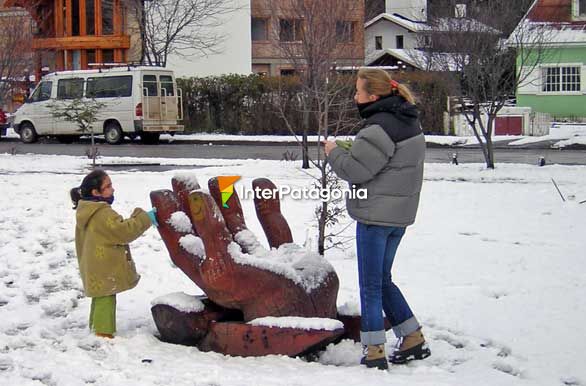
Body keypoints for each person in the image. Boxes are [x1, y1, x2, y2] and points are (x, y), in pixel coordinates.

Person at [324, 68, 429, 370]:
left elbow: (356, 171)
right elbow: (384, 163)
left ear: (373, 96)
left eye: (358, 92)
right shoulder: (409, 120)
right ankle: (412, 337)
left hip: (375, 217)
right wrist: (353, 150)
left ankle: (374, 351)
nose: (355, 97)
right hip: (398, 217)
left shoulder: (377, 127)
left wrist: (333, 152)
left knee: (370, 284)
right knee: (383, 280)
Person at [70, 169, 158, 338]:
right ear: (96, 192)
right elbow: (124, 232)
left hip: (95, 263)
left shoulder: (87, 209)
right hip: (103, 266)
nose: (113, 189)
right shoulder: (101, 212)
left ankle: (96, 327)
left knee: (100, 296)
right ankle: (103, 334)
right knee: (106, 297)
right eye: (108, 186)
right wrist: (146, 218)